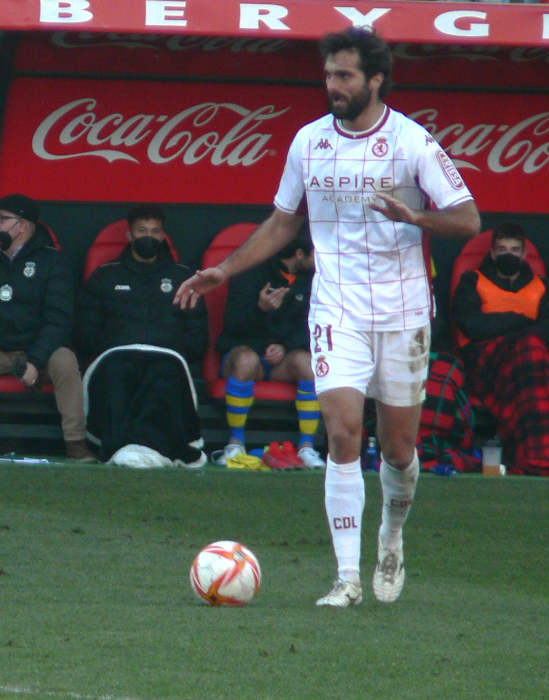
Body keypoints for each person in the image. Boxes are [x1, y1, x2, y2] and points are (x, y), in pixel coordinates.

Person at [175, 28, 480, 607]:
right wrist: (225, 270)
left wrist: (413, 217)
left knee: (397, 450)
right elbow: (284, 221)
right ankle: (346, 579)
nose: (332, 86)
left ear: (376, 80)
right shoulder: (309, 142)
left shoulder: (413, 142)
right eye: (328, 76)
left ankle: (391, 535)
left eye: (344, 76)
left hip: (405, 312)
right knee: (342, 436)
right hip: (336, 308)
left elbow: (468, 220)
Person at [452, 223, 549, 478]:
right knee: (529, 346)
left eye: (514, 250)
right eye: (502, 249)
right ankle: (541, 451)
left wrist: (509, 329)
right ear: (492, 253)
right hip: (487, 365)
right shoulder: (473, 280)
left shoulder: (542, 286)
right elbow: (473, 326)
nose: (508, 255)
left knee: (532, 349)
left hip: (529, 368)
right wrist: (523, 320)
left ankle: (542, 452)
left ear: (525, 255)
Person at [0, 194, 92, 462]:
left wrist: (36, 361)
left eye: (2, 219)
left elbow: (59, 319)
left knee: (65, 358)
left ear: (23, 226)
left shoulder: (53, 260)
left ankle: (76, 441)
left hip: (38, 349)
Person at [78, 205, 208, 468]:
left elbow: (197, 334)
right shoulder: (105, 275)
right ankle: (118, 448)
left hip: (167, 356)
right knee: (118, 370)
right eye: (142, 231)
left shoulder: (183, 277)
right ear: (129, 235)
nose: (149, 236)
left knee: (164, 372)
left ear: (163, 236)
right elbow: (85, 330)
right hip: (116, 354)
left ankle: (157, 450)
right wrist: (111, 344)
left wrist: (175, 347)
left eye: (155, 231)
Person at [214, 233, 323, 469]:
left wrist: (285, 347)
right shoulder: (250, 272)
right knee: (245, 359)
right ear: (299, 254)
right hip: (247, 356)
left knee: (309, 363)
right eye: (316, 252)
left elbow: (316, 327)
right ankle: (235, 444)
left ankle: (307, 448)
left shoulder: (317, 279)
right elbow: (232, 326)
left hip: (283, 361)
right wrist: (260, 310)